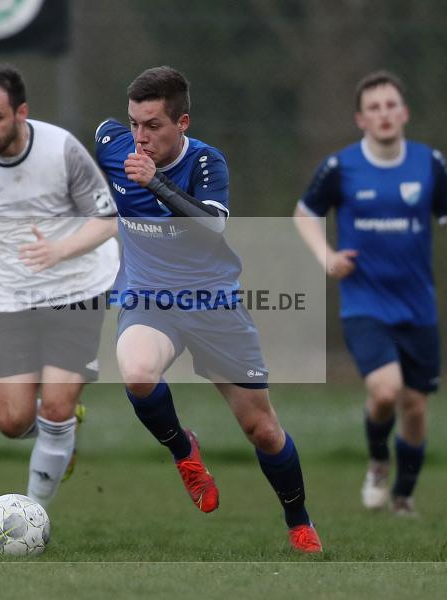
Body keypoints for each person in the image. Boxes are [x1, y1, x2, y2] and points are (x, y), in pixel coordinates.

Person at [95, 66, 322, 553]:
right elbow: (89, 163)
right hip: (149, 299)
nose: (140, 136)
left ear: (183, 123)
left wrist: (155, 183)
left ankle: (299, 522)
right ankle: (185, 452)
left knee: (261, 429)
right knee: (135, 371)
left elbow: (212, 227)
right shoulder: (112, 143)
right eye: (134, 122)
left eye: (153, 125)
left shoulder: (206, 164)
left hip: (213, 304)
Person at [293, 70, 447, 516]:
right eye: (374, 108)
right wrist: (326, 256)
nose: (384, 114)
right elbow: (303, 214)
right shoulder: (341, 167)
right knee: (384, 392)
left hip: (418, 304)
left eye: (391, 105)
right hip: (365, 301)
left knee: (414, 406)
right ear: (361, 118)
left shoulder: (428, 162)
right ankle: (378, 461)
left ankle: (403, 496)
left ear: (405, 113)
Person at [0, 65, 119, 508]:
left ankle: (32, 515)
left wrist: (60, 251)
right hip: (14, 295)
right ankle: (60, 432)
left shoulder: (62, 150)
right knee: (11, 421)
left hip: (78, 289)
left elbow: (106, 221)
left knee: (56, 409)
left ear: (21, 112)